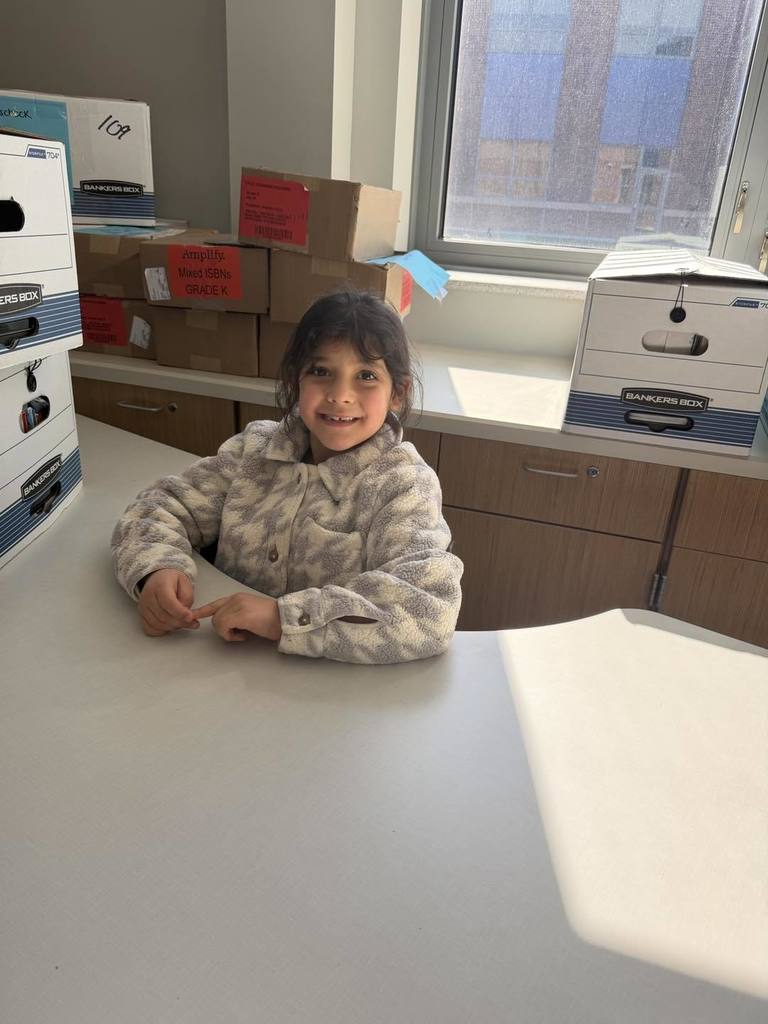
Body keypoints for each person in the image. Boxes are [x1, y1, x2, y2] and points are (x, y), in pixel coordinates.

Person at [111, 291, 463, 664]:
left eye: (366, 376)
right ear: (298, 378)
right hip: (214, 668)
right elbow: (157, 507)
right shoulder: (255, 450)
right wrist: (156, 568)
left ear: (398, 392)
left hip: (327, 698)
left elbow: (429, 611)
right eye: (320, 371)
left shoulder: (402, 484)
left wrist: (282, 619)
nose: (340, 395)